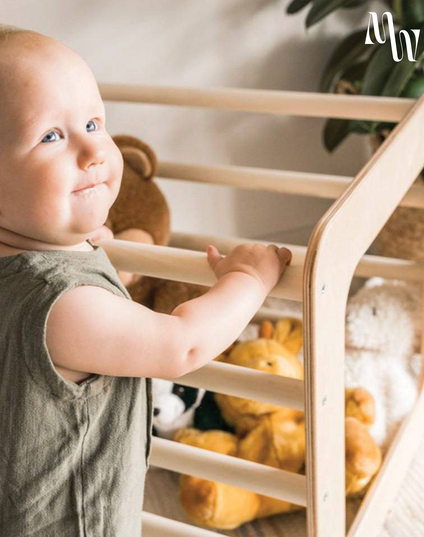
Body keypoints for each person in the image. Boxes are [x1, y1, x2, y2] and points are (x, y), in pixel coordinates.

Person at [0, 24, 293, 536]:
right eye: (51, 136)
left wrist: (79, 239)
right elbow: (182, 344)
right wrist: (246, 277)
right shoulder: (63, 304)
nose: (92, 152)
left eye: (94, 123)